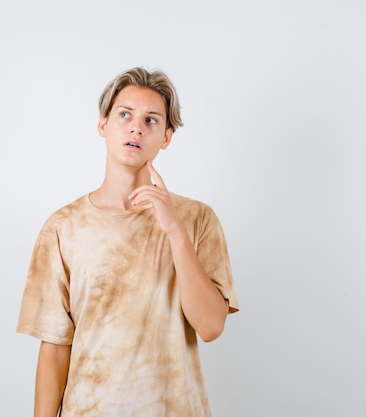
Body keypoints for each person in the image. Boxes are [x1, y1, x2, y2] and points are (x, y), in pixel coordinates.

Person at [16, 66, 239, 417]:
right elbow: (55, 346)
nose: (136, 127)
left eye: (152, 120)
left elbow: (211, 326)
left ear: (166, 137)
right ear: (103, 124)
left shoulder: (197, 219)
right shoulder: (63, 228)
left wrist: (175, 232)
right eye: (125, 114)